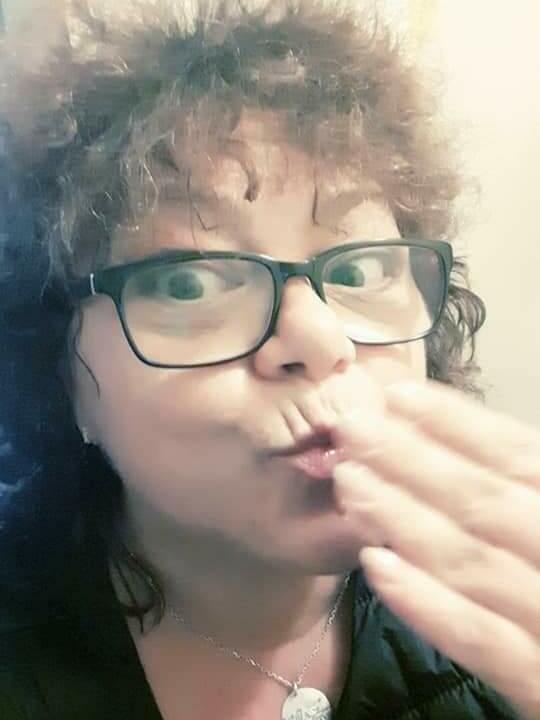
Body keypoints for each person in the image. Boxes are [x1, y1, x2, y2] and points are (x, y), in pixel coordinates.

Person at [0, 1, 538, 719]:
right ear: (59, 373)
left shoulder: (509, 627)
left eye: (358, 271)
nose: (322, 340)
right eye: (191, 282)